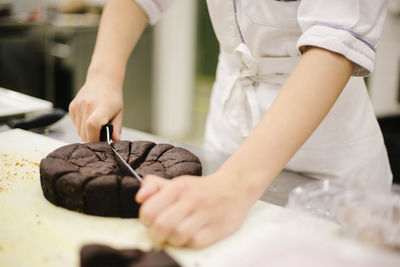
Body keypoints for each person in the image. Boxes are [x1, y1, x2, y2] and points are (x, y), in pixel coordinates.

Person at [69, 0, 392, 248]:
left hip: (327, 157)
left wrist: (234, 186)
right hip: (227, 134)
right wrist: (103, 76)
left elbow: (335, 42)